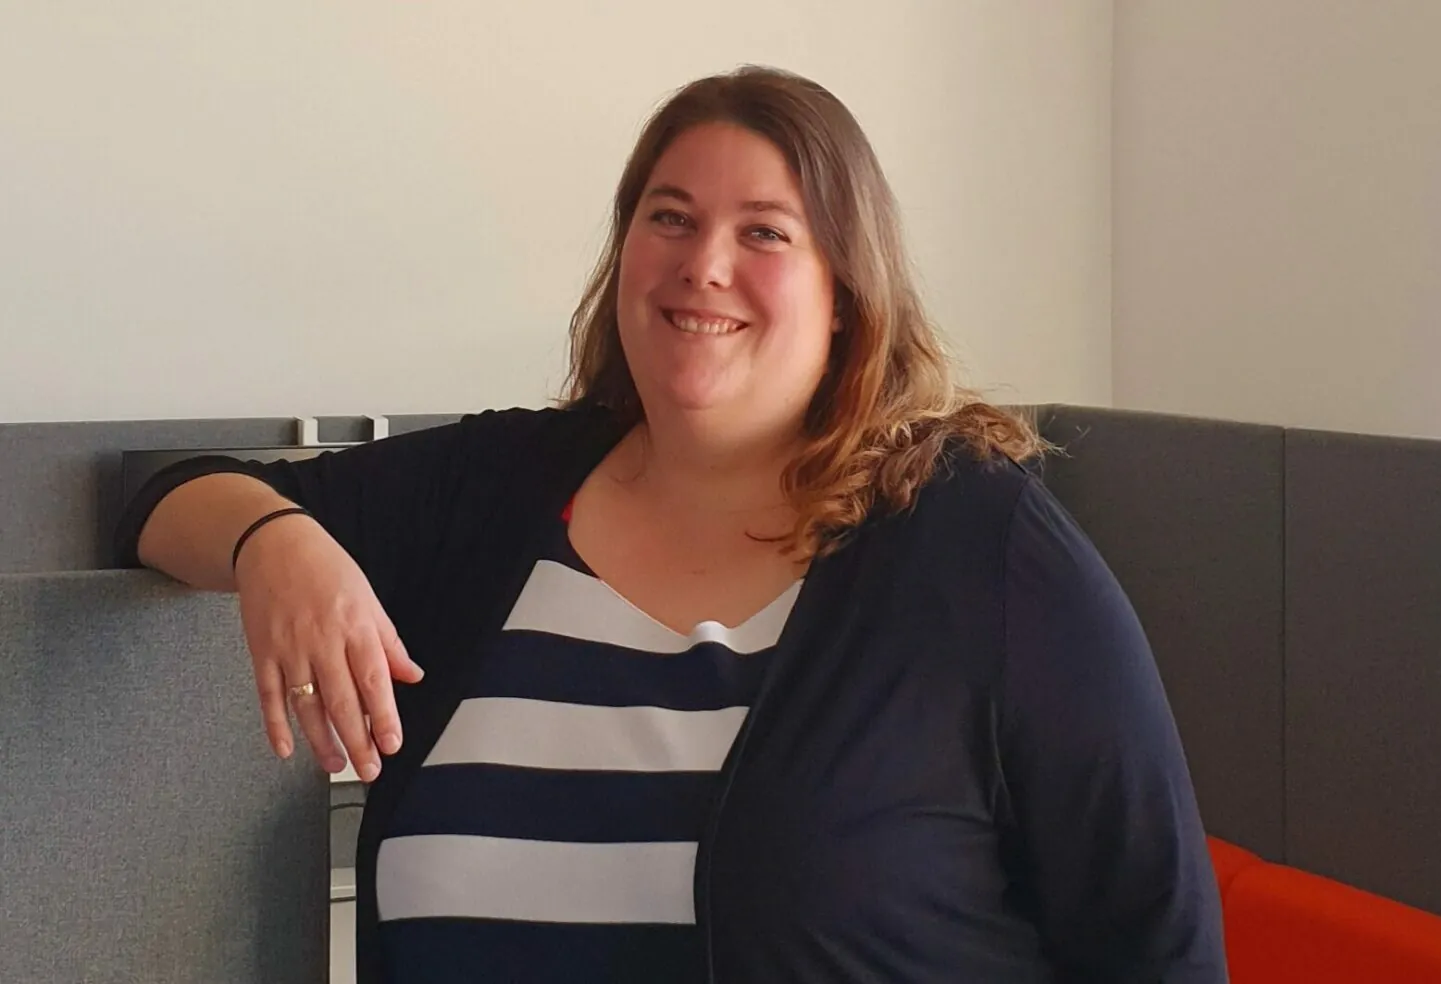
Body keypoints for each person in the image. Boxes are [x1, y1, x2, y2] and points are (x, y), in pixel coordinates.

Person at [119, 66, 1227, 983]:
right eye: (671, 218)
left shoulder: (979, 546)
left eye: (765, 233)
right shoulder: (499, 489)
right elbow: (161, 495)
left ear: (846, 292)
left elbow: (1153, 941)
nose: (704, 265)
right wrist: (279, 539)